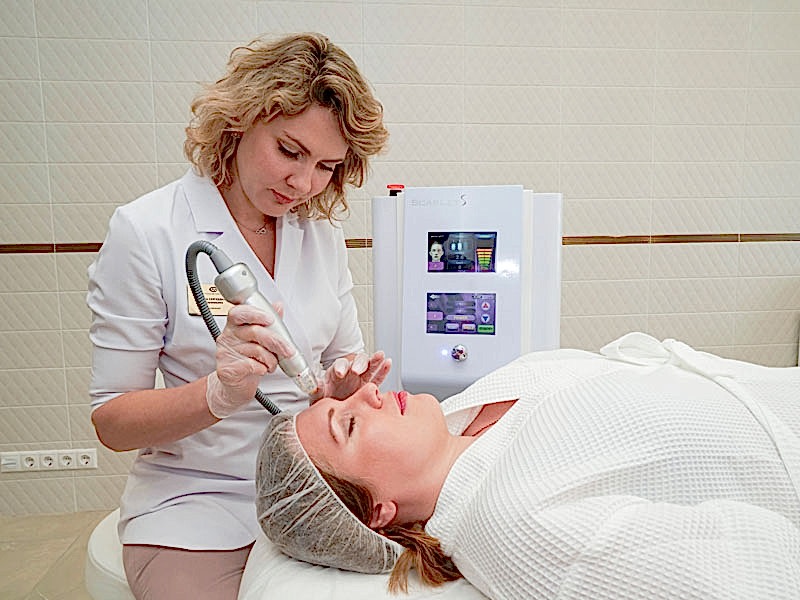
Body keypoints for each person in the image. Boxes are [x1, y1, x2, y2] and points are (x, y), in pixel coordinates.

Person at [86, 32, 390, 600]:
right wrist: (217, 395)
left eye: (326, 166)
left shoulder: (320, 234)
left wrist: (339, 392)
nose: (303, 183)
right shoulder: (147, 231)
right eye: (289, 151)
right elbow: (113, 422)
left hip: (313, 491)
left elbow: (336, 367)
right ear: (239, 121)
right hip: (196, 502)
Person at [256, 332, 800, 600]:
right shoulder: (518, 527)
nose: (369, 393)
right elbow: (765, 574)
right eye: (349, 423)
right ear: (378, 512)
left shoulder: (461, 416)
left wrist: (350, 414)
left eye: (349, 398)